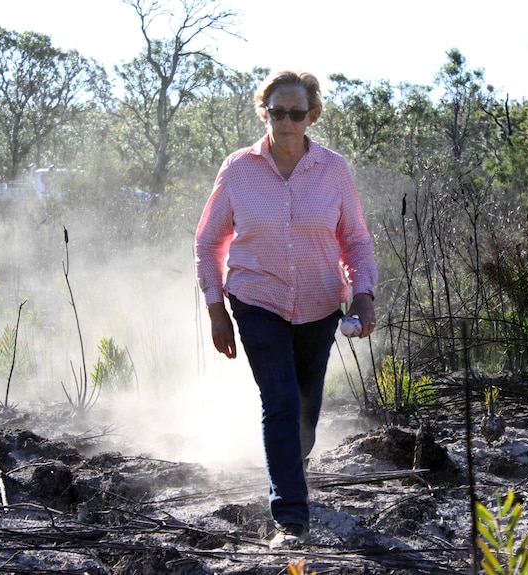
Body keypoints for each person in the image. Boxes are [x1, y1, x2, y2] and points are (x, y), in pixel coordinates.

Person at [194, 70, 378, 549]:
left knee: (306, 408)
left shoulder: (333, 170)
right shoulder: (238, 169)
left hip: (320, 305)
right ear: (265, 113)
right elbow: (210, 239)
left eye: (297, 113)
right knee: (280, 400)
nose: (287, 121)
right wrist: (216, 308)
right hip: (257, 301)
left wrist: (363, 294)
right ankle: (291, 519)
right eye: (278, 112)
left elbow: (355, 238)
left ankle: (290, 469)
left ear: (312, 116)